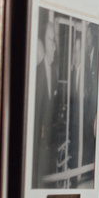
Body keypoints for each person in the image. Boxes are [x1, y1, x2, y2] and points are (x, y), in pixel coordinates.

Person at [33, 14, 63, 187]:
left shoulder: (53, 73)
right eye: (52, 40)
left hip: (50, 148)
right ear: (44, 42)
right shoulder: (37, 74)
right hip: (39, 151)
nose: (55, 46)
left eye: (56, 40)